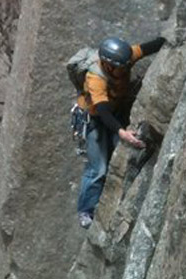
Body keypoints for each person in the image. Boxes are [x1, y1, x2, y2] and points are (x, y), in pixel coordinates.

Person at [76, 36, 166, 229]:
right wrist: (122, 132)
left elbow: (149, 46)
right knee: (97, 168)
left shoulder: (124, 58)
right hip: (94, 119)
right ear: (108, 66)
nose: (126, 69)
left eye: (126, 66)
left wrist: (171, 39)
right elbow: (103, 111)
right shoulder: (95, 77)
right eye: (121, 68)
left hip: (113, 110)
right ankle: (85, 210)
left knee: (120, 154)